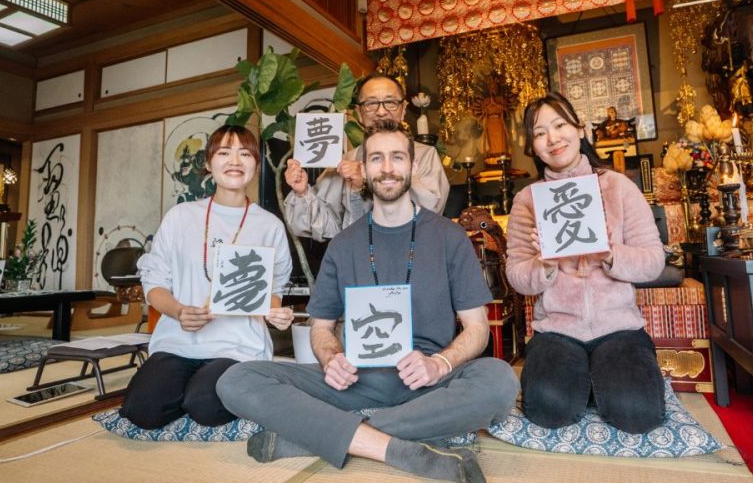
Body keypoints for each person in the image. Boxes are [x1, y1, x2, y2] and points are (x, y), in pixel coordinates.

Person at [217, 120, 519, 483]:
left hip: (428, 382)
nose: (387, 168)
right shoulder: (343, 244)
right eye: (376, 158)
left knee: (499, 380)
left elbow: (478, 327)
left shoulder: (449, 237)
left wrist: (439, 364)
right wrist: (331, 359)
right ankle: (392, 447)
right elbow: (321, 327)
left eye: (397, 157)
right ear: (363, 167)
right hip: (356, 378)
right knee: (237, 379)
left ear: (411, 165)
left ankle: (318, 439)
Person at [505, 92, 666, 433]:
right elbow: (517, 275)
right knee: (547, 408)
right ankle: (587, 379)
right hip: (557, 330)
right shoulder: (527, 200)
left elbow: (654, 261)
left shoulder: (618, 186)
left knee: (638, 412)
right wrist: (545, 264)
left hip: (618, 327)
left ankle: (598, 378)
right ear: (533, 146)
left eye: (560, 125)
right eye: (540, 133)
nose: (552, 138)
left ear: (580, 129)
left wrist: (610, 253)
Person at [120, 125, 295, 429]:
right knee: (142, 410)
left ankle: (219, 388)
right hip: (178, 343)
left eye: (245, 154)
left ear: (255, 164)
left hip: (238, 347)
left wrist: (275, 312)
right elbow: (154, 282)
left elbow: (274, 288)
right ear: (209, 163)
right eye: (224, 153)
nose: (235, 161)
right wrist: (179, 311)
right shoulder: (180, 217)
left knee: (205, 407)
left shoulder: (269, 226)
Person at [283, 73, 450, 242]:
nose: (381, 111)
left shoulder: (425, 155)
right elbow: (328, 227)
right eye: (371, 104)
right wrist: (302, 192)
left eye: (390, 102)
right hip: (355, 254)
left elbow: (431, 212)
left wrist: (365, 182)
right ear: (359, 112)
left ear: (403, 108)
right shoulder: (344, 161)